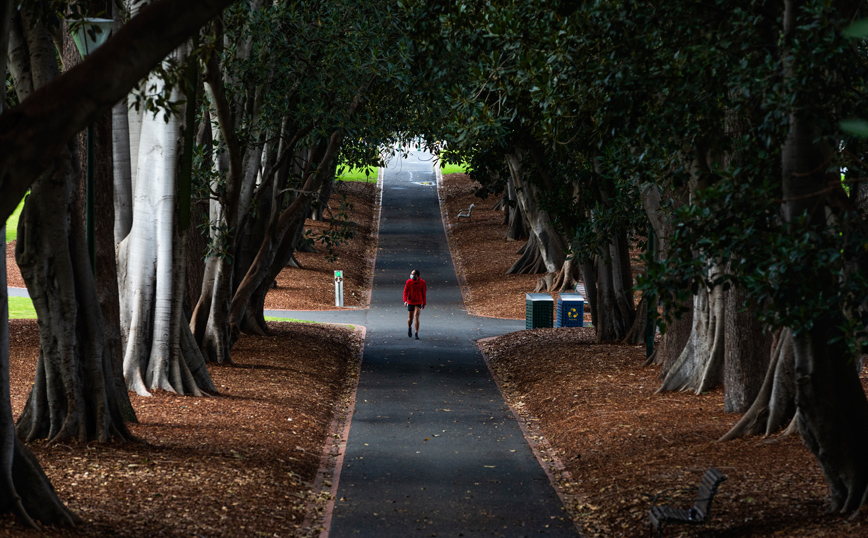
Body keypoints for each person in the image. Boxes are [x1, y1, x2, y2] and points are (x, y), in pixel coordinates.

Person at [403, 269, 426, 339]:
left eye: (412, 274)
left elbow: (424, 293)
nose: (411, 275)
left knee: (416, 316)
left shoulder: (422, 282)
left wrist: (424, 303)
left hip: (418, 301)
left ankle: (416, 333)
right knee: (410, 318)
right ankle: (409, 327)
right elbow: (405, 291)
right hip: (410, 301)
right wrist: (405, 300)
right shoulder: (408, 282)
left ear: (416, 275)